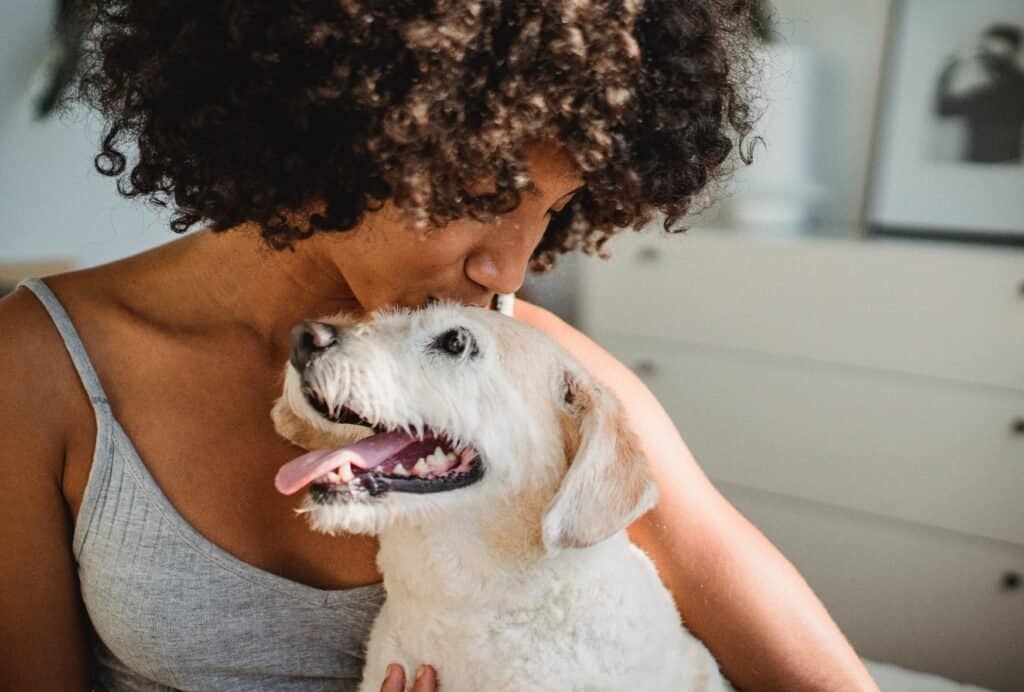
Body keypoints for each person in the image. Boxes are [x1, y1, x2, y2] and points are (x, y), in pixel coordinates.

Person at [0, 1, 879, 690]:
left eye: (554, 208)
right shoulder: (36, 369)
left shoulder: (536, 377)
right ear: (340, 118)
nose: (512, 264)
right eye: (489, 189)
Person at [935, 23, 1024, 163]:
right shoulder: (997, 89)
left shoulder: (990, 95)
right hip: (1001, 166)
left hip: (985, 165)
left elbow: (942, 109)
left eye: (994, 51)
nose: (985, 58)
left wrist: (951, 66)